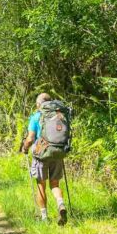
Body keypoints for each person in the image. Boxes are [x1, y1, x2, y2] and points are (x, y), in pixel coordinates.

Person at [21, 93, 68, 225]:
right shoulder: (59, 115)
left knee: (41, 185)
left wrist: (24, 148)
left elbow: (30, 138)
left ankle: (44, 218)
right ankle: (61, 204)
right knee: (55, 184)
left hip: (41, 154)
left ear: (38, 104)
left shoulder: (36, 116)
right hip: (57, 152)